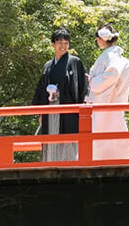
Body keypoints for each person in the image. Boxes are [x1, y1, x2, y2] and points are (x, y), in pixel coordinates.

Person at [31, 28, 87, 161]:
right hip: (50, 108)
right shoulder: (48, 65)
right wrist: (40, 113)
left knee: (68, 140)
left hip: (68, 109)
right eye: (59, 42)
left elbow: (82, 87)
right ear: (53, 44)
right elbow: (41, 90)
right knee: (51, 138)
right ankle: (51, 165)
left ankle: (70, 167)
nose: (63, 46)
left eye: (66, 43)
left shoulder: (74, 62)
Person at [87, 23, 129, 160]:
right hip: (110, 99)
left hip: (106, 100)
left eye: (97, 38)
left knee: (104, 132)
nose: (97, 41)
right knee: (110, 132)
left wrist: (92, 81)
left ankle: (105, 160)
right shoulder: (113, 55)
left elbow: (112, 74)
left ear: (102, 39)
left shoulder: (110, 56)